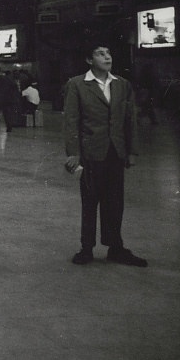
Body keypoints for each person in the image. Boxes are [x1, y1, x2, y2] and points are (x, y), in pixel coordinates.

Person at [63, 44, 146, 267]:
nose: (107, 57)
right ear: (89, 60)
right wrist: (73, 154)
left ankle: (115, 248)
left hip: (115, 153)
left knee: (115, 202)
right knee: (90, 202)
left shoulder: (122, 84)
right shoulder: (77, 84)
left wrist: (131, 151)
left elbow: (130, 120)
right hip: (91, 153)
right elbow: (71, 122)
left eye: (109, 53)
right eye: (101, 54)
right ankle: (86, 248)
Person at [0, 65, 17, 132]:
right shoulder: (7, 78)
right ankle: (9, 127)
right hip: (6, 99)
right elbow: (14, 86)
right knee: (6, 114)